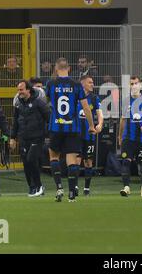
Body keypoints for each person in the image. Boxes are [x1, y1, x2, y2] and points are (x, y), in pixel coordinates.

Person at [45, 57, 96, 202]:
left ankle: (59, 188)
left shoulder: (50, 84)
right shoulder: (76, 84)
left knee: (54, 157)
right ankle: (72, 192)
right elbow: (86, 107)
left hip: (56, 127)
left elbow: (47, 102)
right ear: (69, 68)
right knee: (72, 160)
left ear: (56, 68)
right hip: (72, 128)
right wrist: (91, 126)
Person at [10, 80, 50, 197]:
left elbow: (49, 117)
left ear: (28, 90)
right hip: (23, 137)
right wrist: (13, 138)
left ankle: (39, 186)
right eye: (18, 90)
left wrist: (48, 134)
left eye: (21, 90)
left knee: (31, 159)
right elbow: (15, 122)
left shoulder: (39, 103)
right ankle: (32, 187)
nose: (19, 92)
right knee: (26, 163)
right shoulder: (18, 104)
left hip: (37, 137)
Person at [118, 76, 142, 197]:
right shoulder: (125, 101)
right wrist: (119, 136)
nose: (134, 86)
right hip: (128, 138)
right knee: (126, 162)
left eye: (136, 83)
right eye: (131, 84)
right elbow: (122, 120)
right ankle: (126, 187)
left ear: (140, 85)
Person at [77, 75, 103, 196]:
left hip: (89, 134)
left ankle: (86, 188)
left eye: (92, 82)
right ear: (83, 84)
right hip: (76, 134)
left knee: (88, 161)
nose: (92, 84)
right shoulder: (75, 97)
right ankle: (75, 186)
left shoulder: (94, 98)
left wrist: (100, 124)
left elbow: (99, 113)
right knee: (76, 160)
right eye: (90, 82)